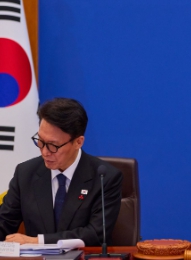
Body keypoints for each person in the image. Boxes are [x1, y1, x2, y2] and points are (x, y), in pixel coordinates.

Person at [0, 98, 123, 246]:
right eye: (40, 141)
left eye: (53, 145)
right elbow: (4, 223)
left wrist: (38, 241)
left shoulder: (105, 178)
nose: (45, 152)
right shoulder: (25, 173)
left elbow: (96, 233)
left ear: (78, 142)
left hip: (83, 259)